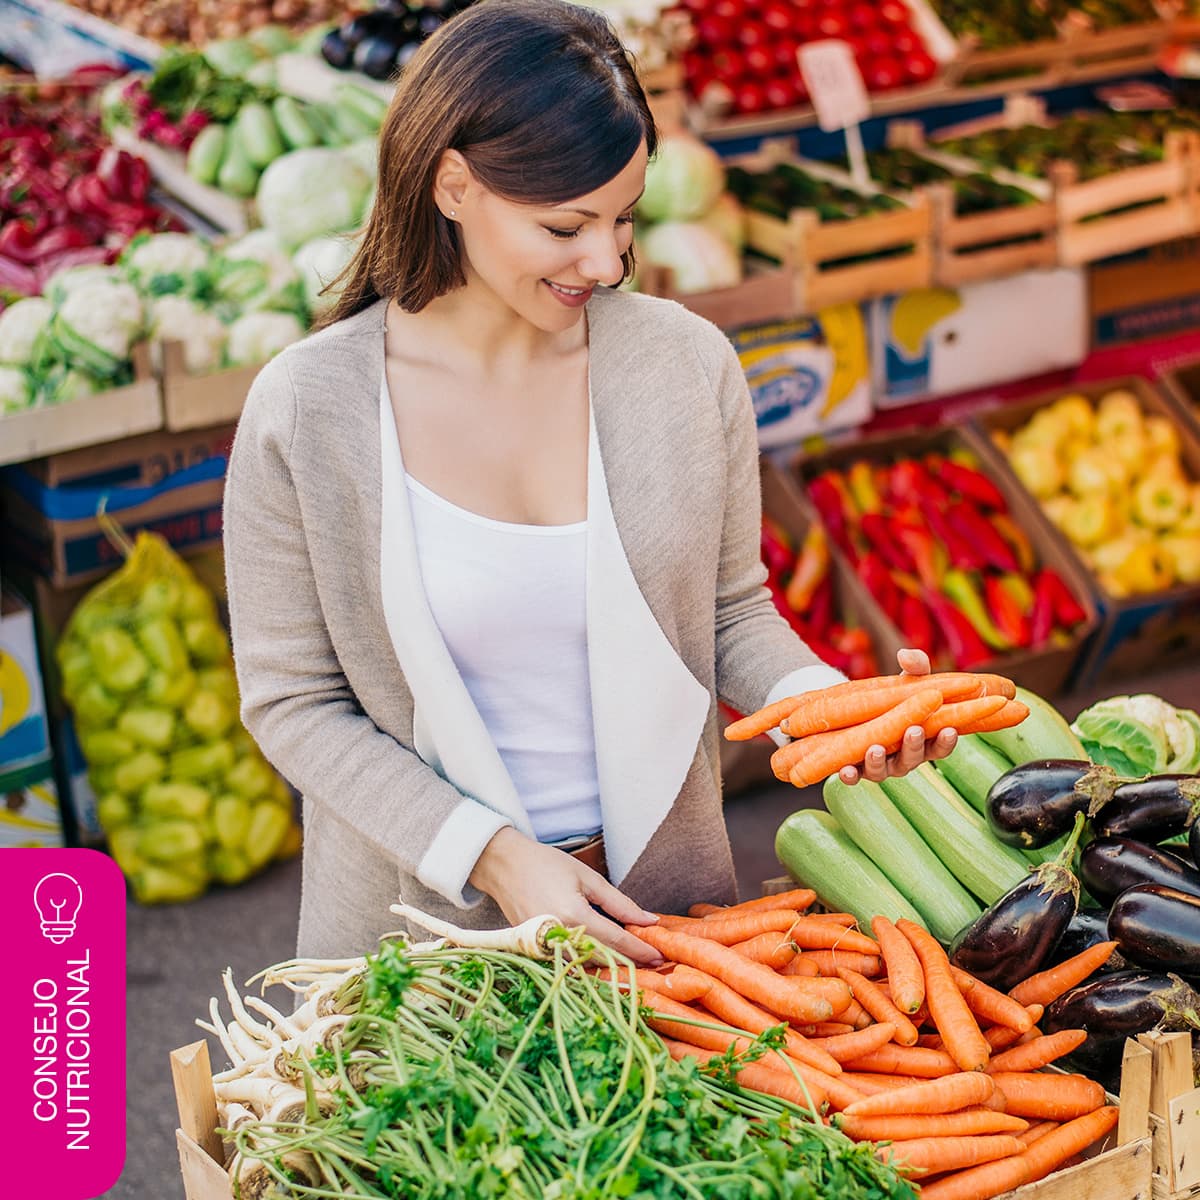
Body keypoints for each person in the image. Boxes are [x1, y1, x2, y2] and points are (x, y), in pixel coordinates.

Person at [223, 0, 957, 967]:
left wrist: (835, 712)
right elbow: (294, 702)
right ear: (452, 184)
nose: (606, 261)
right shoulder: (307, 410)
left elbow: (731, 614)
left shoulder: (685, 366)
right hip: (420, 935)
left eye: (624, 220)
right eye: (565, 225)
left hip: (666, 921)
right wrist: (494, 857)